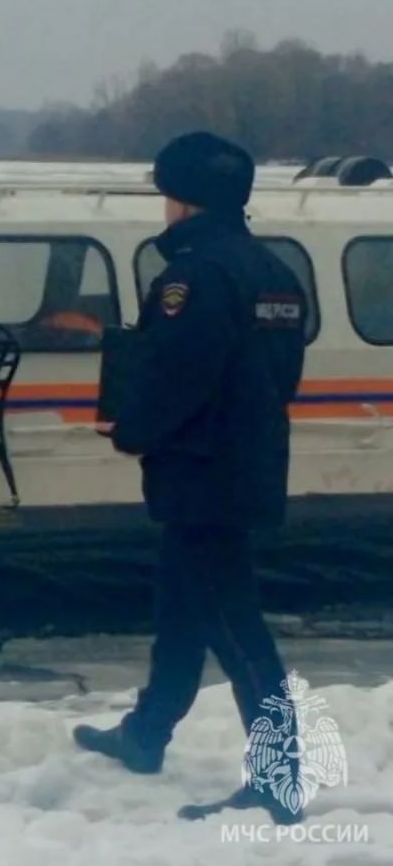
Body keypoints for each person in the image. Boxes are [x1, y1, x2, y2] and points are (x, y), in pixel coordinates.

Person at [72, 132, 308, 825]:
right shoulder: (274, 270)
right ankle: (146, 733)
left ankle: (281, 771)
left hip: (200, 470)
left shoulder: (192, 276)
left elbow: (178, 372)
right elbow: (281, 372)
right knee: (182, 609)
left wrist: (131, 429)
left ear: (183, 199)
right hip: (248, 461)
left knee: (235, 624)